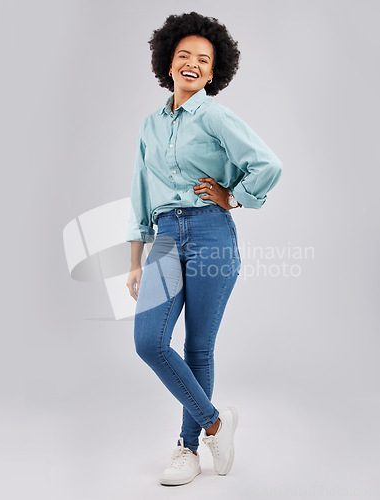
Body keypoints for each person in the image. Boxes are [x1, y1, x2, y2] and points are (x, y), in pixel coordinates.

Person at [125, 11, 282, 486]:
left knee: (198, 348)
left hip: (213, 232)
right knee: (149, 342)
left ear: (214, 72)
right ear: (167, 64)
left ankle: (187, 448)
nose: (192, 64)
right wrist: (136, 262)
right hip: (167, 237)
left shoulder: (215, 115)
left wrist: (234, 196)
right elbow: (140, 194)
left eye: (203, 60)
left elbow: (268, 165)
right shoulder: (150, 125)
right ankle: (217, 423)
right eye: (183, 56)